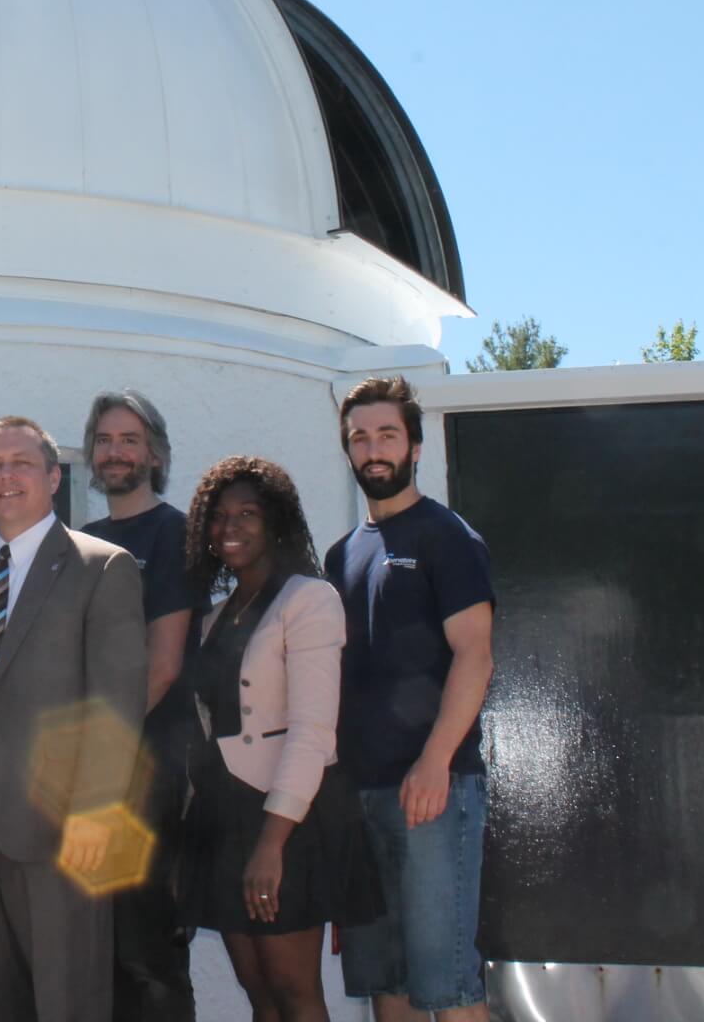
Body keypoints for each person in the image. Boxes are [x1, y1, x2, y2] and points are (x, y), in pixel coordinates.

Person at [0, 416, 148, 1022]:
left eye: (21, 462)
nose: (7, 475)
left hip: (64, 833)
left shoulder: (102, 567)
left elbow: (117, 703)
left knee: (68, 1002)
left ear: (54, 477)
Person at [181, 456, 384, 1022]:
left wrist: (272, 843)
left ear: (275, 522)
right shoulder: (215, 616)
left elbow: (313, 731)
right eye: (219, 516)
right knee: (259, 994)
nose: (231, 527)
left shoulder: (308, 600)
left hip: (286, 817)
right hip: (222, 820)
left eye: (247, 513)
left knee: (295, 993)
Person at [328, 377, 495, 1022]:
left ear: (416, 446)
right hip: (361, 799)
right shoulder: (343, 555)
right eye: (360, 437)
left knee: (447, 988)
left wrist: (434, 763)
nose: (373, 449)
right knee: (386, 986)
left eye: (387, 435)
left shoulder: (446, 536)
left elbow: (475, 655)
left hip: (433, 792)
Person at [80, 389, 201, 1021]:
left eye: (129, 440)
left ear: (153, 453)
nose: (116, 452)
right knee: (97, 955)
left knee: (148, 954)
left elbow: (165, 664)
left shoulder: (175, 533)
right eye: (104, 440)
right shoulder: (81, 540)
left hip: (149, 774)